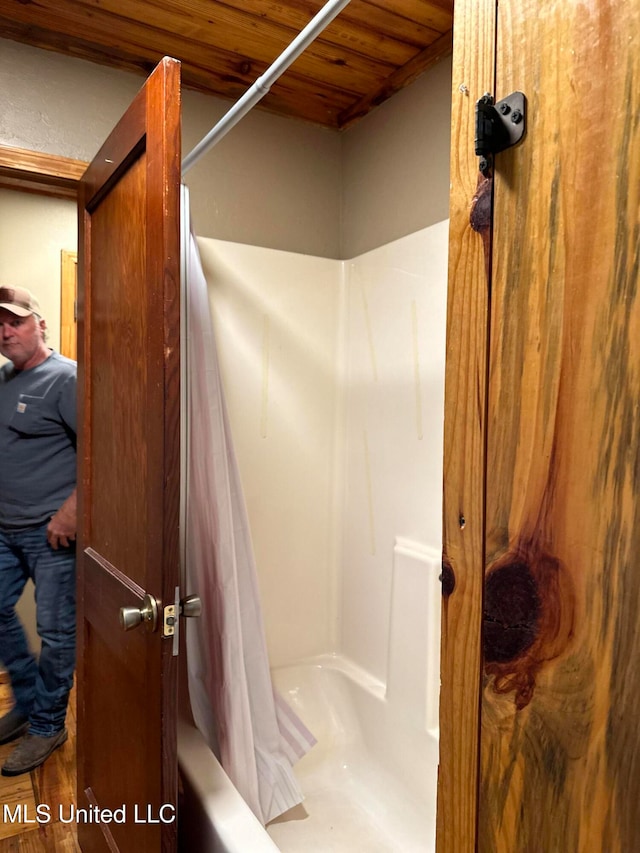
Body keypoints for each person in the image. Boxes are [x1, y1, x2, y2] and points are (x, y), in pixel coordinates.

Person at [0, 286, 77, 776]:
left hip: (52, 534)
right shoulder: (5, 379)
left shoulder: (66, 378)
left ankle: (49, 723)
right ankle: (28, 700)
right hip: (4, 529)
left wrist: (73, 511)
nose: (6, 332)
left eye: (15, 321)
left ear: (39, 324)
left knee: (56, 631)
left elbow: (100, 453)